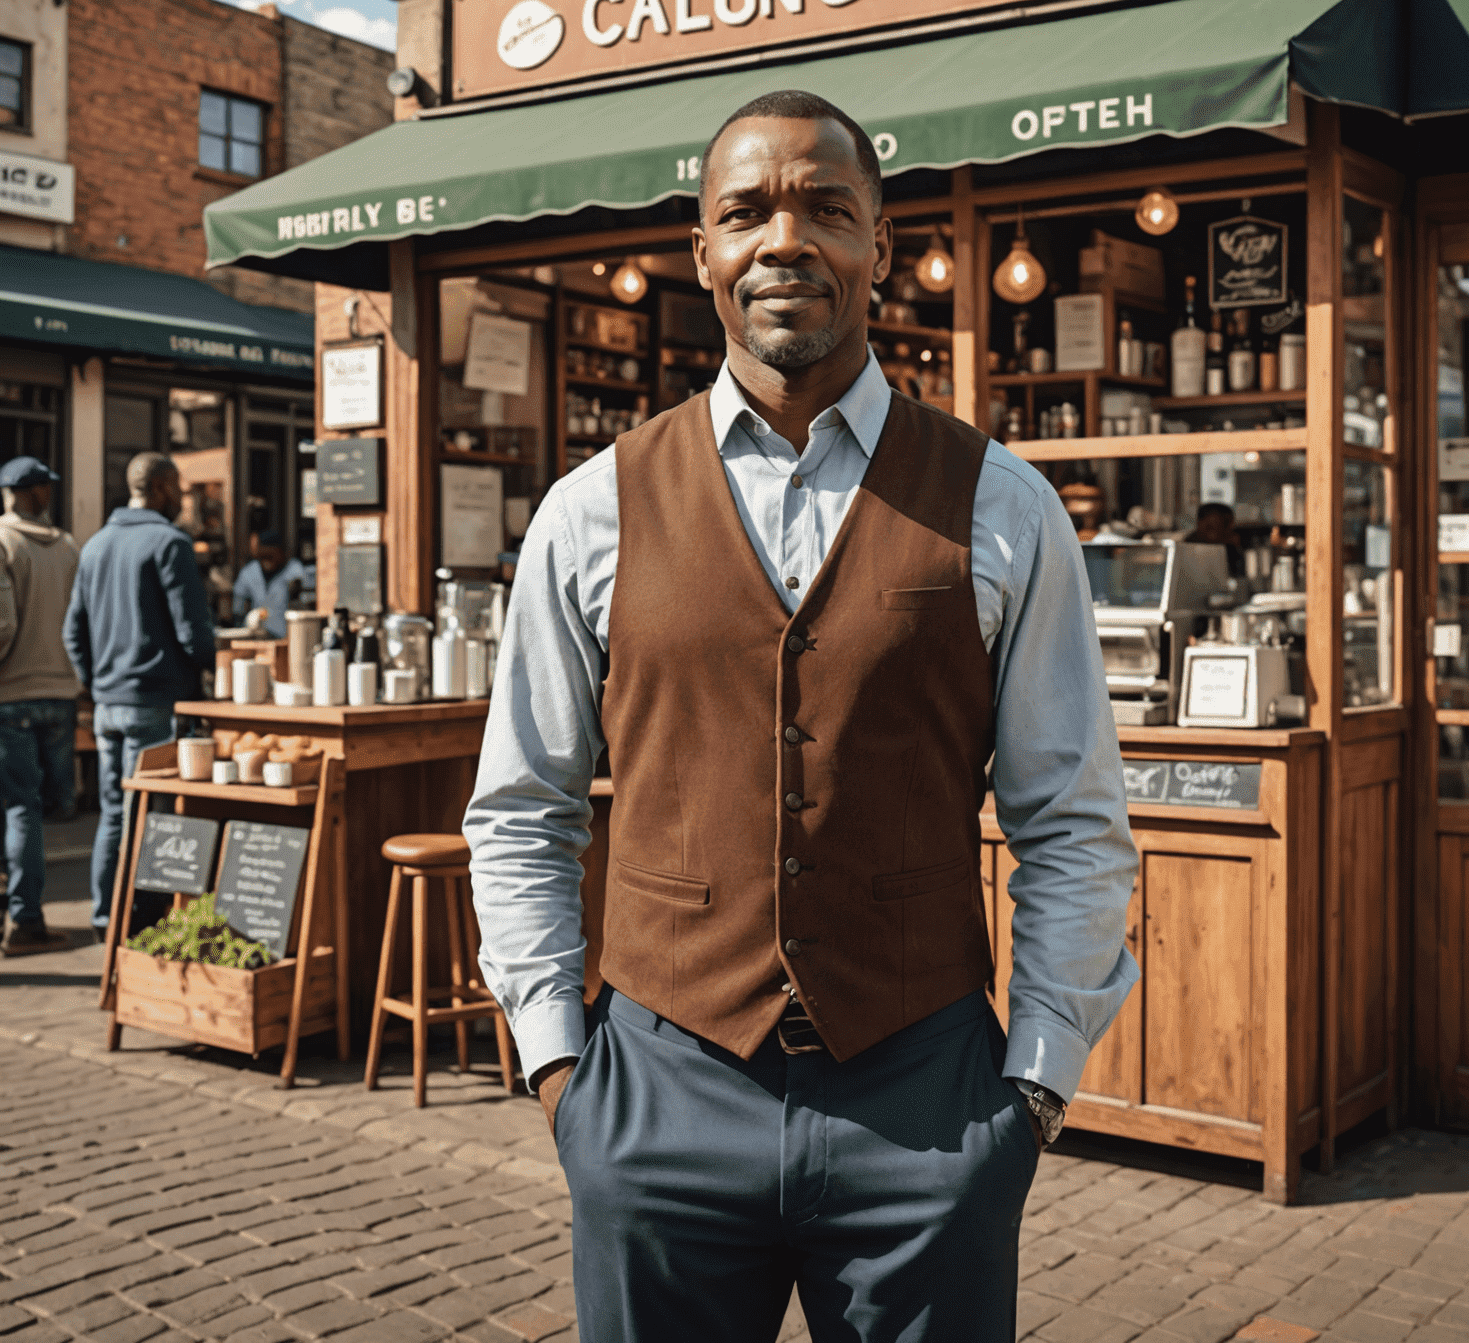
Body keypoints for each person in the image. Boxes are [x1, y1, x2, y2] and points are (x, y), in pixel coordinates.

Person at [464, 90, 1139, 1340]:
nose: (786, 241)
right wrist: (565, 1073)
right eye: (746, 213)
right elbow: (521, 807)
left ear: (881, 247)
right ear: (704, 252)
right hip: (657, 1096)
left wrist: (1033, 1089)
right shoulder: (588, 512)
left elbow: (1074, 819)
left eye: (828, 208)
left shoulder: (1003, 505)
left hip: (928, 1103)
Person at [64, 453, 217, 939]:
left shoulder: (95, 546)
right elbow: (194, 633)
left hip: (109, 703)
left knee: (114, 810)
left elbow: (73, 632)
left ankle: (105, 917)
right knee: (148, 813)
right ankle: (140, 921)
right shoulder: (170, 543)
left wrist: (96, 683)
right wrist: (211, 666)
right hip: (154, 700)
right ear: (162, 487)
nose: (181, 498)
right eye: (178, 488)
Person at [0, 456, 80, 955]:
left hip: (11, 695)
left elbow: (2, 627)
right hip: (60, 692)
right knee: (39, 808)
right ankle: (26, 915)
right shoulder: (69, 548)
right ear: (39, 493)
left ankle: (25, 920)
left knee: (17, 809)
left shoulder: (3, 542)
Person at [231, 529, 307, 637]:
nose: (266, 560)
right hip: (257, 635)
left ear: (281, 552)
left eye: (270, 555)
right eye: (263, 556)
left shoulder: (295, 570)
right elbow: (238, 606)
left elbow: (305, 605)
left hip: (287, 636)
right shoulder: (249, 572)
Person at [1190, 500, 1244, 577]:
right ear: (1201, 525)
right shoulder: (1189, 549)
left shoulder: (1230, 548)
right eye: (1224, 525)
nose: (1229, 532)